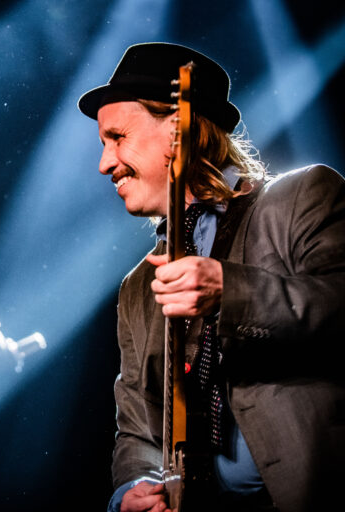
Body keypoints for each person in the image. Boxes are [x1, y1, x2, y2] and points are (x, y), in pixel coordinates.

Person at [77, 42, 345, 512]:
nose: (105, 163)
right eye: (104, 144)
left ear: (179, 130)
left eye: (117, 137)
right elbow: (137, 425)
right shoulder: (137, 287)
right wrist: (133, 489)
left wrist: (231, 291)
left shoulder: (302, 196)